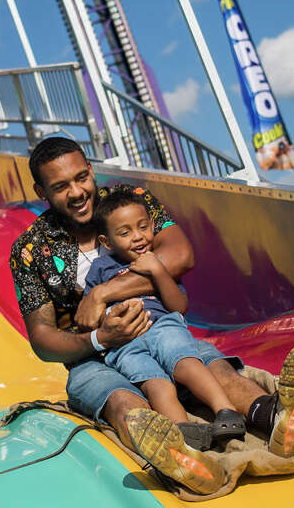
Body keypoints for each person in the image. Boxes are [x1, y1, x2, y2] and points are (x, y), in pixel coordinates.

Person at [9, 136, 294, 494]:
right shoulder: (30, 250)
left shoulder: (130, 203)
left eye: (82, 177)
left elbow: (180, 256)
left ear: (91, 170)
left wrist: (103, 292)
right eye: (61, 186)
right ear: (41, 190)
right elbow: (43, 339)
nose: (78, 191)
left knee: (210, 365)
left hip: (159, 327)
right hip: (92, 357)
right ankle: (185, 461)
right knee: (119, 400)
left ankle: (276, 418)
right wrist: (100, 337)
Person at [85, 190, 245, 444]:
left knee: (186, 363)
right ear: (107, 242)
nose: (138, 237)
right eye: (125, 233)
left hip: (163, 326)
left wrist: (158, 271)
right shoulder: (100, 269)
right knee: (157, 384)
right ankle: (183, 431)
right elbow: (90, 315)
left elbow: (179, 306)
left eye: (143, 227)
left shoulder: (157, 262)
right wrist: (106, 319)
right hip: (124, 343)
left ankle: (226, 411)